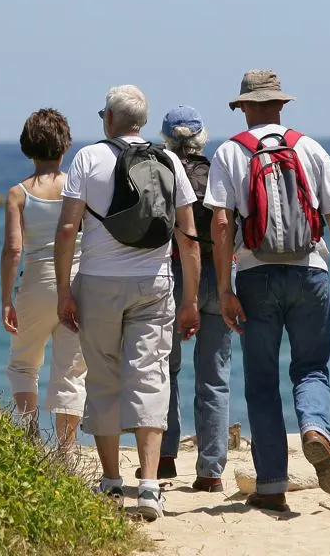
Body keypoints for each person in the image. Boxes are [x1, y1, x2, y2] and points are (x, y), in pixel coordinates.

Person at [54, 85, 201, 521]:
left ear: (109, 119)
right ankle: (151, 485)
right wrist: (190, 298)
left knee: (103, 377)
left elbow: (67, 230)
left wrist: (64, 290)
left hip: (98, 282)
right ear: (140, 121)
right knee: (151, 377)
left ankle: (112, 481)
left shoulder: (88, 158)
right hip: (155, 283)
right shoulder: (169, 160)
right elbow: (189, 239)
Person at [205, 69, 330, 512]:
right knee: (311, 368)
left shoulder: (231, 151)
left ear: (244, 107)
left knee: (261, 381)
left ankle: (271, 486)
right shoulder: (310, 148)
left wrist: (224, 289)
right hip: (310, 272)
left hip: (255, 274)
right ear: (282, 105)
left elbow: (222, 222)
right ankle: (316, 428)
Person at [144, 106, 232, 492]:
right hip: (220, 274)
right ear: (202, 137)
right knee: (214, 377)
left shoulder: (161, 171)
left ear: (166, 138)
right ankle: (211, 471)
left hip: (175, 275)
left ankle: (164, 457)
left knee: (167, 369)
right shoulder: (218, 171)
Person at [1, 108, 87, 452]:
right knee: (71, 371)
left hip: (36, 284)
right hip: (77, 284)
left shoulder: (18, 193)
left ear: (27, 147)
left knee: (23, 362)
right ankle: (66, 453)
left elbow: (13, 250)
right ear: (65, 146)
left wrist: (6, 298)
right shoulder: (78, 187)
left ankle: (30, 437)